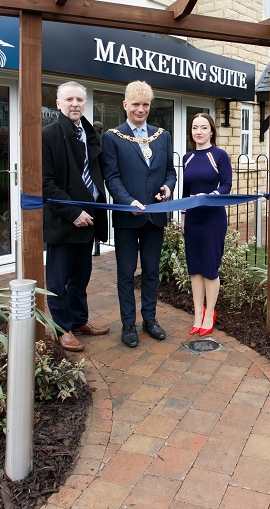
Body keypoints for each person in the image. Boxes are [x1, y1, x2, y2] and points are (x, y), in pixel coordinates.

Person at [102, 81, 177, 348]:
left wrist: (167, 188)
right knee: (125, 274)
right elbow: (111, 177)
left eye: (145, 104)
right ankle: (128, 324)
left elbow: (170, 171)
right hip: (127, 218)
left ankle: (150, 319)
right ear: (125, 105)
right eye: (135, 104)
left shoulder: (162, 136)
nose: (140, 109)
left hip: (155, 217)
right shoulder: (113, 137)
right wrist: (128, 201)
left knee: (151, 271)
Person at [41, 82, 110, 353]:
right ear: (58, 103)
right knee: (58, 281)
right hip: (63, 221)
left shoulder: (91, 133)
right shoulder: (47, 135)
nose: (75, 104)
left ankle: (79, 321)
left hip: (89, 219)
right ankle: (62, 328)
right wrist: (73, 212)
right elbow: (46, 183)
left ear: (85, 103)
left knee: (81, 277)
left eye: (79, 99)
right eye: (69, 99)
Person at [180, 113, 232, 335]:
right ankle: (197, 314)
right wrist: (183, 218)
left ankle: (210, 313)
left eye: (203, 127)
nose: (198, 132)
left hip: (213, 219)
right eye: (195, 128)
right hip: (192, 219)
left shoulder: (219, 155)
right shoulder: (187, 157)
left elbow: (227, 185)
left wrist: (209, 196)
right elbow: (185, 191)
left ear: (211, 131)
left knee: (210, 268)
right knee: (194, 268)